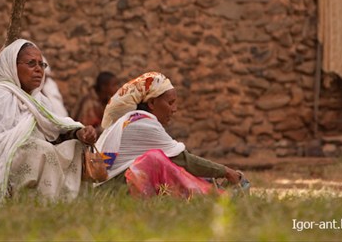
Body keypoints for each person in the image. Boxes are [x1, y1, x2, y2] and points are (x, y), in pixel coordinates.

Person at [0, 39, 97, 204]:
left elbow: (53, 132)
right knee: (42, 150)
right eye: (31, 63)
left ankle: (64, 204)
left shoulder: (41, 101)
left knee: (73, 147)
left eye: (42, 65)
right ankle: (43, 204)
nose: (38, 70)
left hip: (34, 158)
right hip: (2, 162)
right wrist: (7, 147)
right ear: (12, 66)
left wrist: (78, 133)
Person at [96, 72, 246, 198]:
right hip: (112, 192)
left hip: (112, 187)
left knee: (166, 161)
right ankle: (214, 195)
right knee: (156, 160)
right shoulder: (142, 124)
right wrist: (225, 171)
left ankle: (211, 190)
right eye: (170, 103)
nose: (174, 109)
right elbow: (184, 160)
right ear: (152, 103)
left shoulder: (134, 120)